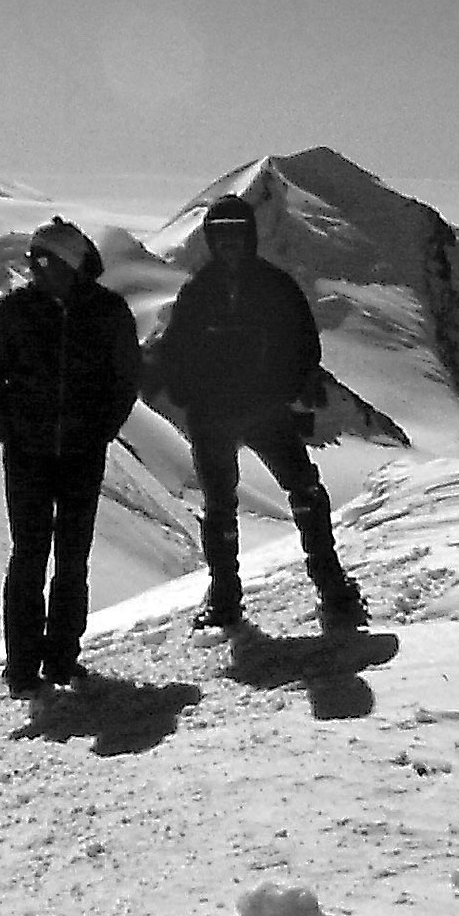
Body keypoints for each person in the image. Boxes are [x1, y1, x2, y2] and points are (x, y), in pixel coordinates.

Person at [156, 194, 368, 634]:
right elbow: (178, 351)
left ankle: (322, 587)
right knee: (229, 506)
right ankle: (238, 596)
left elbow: (303, 344)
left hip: (256, 409)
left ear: (248, 235)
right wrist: (189, 391)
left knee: (299, 494)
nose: (229, 241)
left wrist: (282, 389)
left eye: (236, 232)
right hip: (225, 412)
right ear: (212, 239)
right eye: (222, 234)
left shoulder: (244, 287)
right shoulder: (212, 290)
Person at [0, 218, 141, 695]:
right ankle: (23, 667)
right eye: (33, 260)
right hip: (29, 454)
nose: (35, 268)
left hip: (79, 453)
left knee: (71, 557)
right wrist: (9, 430)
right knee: (30, 555)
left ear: (69, 263)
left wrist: (100, 431)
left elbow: (126, 380)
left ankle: (62, 658)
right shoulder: (15, 310)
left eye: (44, 260)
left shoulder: (107, 312)